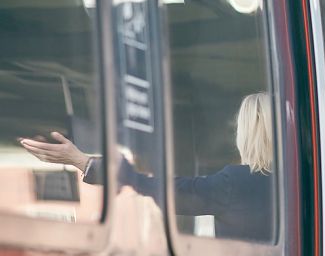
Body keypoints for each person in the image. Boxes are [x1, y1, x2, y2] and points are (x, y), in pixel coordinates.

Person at [19, 93, 276, 241]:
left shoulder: (235, 183)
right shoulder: (309, 185)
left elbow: (162, 190)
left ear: (246, 135)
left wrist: (84, 162)